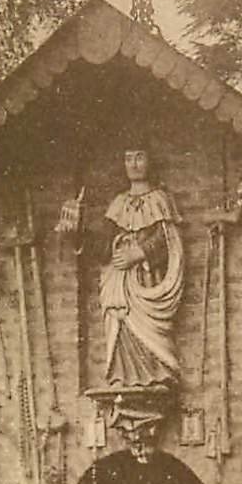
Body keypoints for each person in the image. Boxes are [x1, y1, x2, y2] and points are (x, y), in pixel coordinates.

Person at [99, 148, 184, 389]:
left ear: (150, 161)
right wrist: (77, 229)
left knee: (147, 331)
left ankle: (157, 374)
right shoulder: (118, 203)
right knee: (122, 324)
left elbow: (168, 240)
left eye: (139, 157)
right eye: (128, 158)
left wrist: (139, 253)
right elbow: (102, 247)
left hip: (146, 281)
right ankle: (122, 376)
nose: (134, 164)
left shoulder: (159, 199)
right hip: (119, 283)